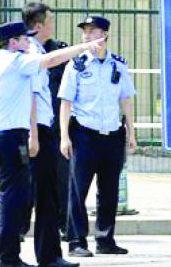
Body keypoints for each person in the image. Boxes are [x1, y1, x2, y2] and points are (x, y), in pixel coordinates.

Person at [0, 21, 102, 267]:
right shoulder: (17, 61)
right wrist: (85, 47)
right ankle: (7, 258)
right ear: (13, 43)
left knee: (12, 196)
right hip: (9, 138)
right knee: (14, 200)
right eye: (24, 38)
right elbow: (50, 61)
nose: (29, 42)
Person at [58, 16, 137, 258]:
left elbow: (125, 99)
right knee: (78, 190)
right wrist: (64, 137)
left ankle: (105, 239)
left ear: (104, 34)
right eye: (84, 31)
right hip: (84, 134)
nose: (87, 36)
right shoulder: (76, 65)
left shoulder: (118, 65)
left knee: (109, 190)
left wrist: (131, 133)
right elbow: (65, 102)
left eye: (92, 31)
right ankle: (76, 241)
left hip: (112, 135)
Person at [21, 3, 79, 267]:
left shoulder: (39, 49)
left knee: (38, 193)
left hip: (44, 130)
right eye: (50, 21)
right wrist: (34, 136)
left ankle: (47, 255)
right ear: (38, 26)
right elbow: (32, 97)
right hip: (37, 132)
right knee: (30, 195)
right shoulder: (32, 53)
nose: (53, 25)